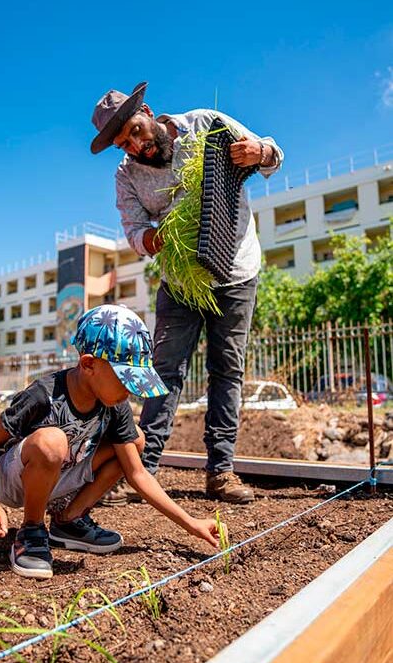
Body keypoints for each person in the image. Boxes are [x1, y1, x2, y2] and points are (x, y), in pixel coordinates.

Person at [90, 83, 284, 504]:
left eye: (136, 131)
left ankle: (221, 472)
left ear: (148, 111)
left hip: (236, 272)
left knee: (227, 369)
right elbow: (134, 231)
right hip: (181, 282)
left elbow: (271, 153)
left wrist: (258, 153)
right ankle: (145, 469)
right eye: (124, 143)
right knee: (163, 370)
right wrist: (162, 238)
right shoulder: (126, 175)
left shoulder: (205, 126)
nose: (135, 146)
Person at [0, 305, 222, 579]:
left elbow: (137, 474)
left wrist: (191, 524)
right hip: (14, 480)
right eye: (125, 380)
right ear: (89, 364)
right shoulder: (44, 395)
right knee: (52, 441)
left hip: (59, 477)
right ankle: (31, 529)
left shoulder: (115, 405)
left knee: (135, 442)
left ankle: (69, 519)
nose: (130, 391)